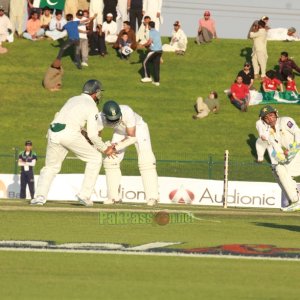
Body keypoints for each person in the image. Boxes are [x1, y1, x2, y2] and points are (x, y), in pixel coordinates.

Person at [31, 80, 116, 206]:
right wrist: (104, 148)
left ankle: (39, 197)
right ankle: (84, 195)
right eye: (99, 93)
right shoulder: (92, 106)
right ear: (96, 93)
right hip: (69, 133)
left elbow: (70, 121)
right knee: (95, 158)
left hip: (53, 130)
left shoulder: (73, 99)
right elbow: (93, 134)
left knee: (51, 167)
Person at [97, 100, 159, 206]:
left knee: (146, 160)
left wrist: (114, 147)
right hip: (120, 132)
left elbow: (131, 137)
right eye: (112, 119)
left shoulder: (127, 111)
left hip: (138, 129)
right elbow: (96, 137)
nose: (115, 120)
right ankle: (113, 197)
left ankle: (153, 197)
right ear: (105, 115)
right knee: (110, 161)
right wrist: (105, 148)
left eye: (117, 118)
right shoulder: (99, 117)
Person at [257, 105, 300, 212]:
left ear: (276, 114)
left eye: (271, 115)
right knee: (277, 170)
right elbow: (277, 150)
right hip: (293, 157)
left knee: (279, 169)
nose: (270, 119)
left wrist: (295, 147)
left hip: (298, 151)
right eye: (266, 118)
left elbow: (298, 132)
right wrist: (282, 156)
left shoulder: (285, 121)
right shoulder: (270, 134)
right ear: (263, 121)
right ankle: (295, 200)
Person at [141, 21, 162, 86]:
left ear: (149, 26)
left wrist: (142, 45)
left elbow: (149, 42)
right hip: (160, 51)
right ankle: (157, 82)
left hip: (154, 51)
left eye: (148, 25)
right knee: (156, 67)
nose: (148, 26)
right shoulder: (157, 32)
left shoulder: (151, 32)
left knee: (145, 62)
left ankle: (147, 77)